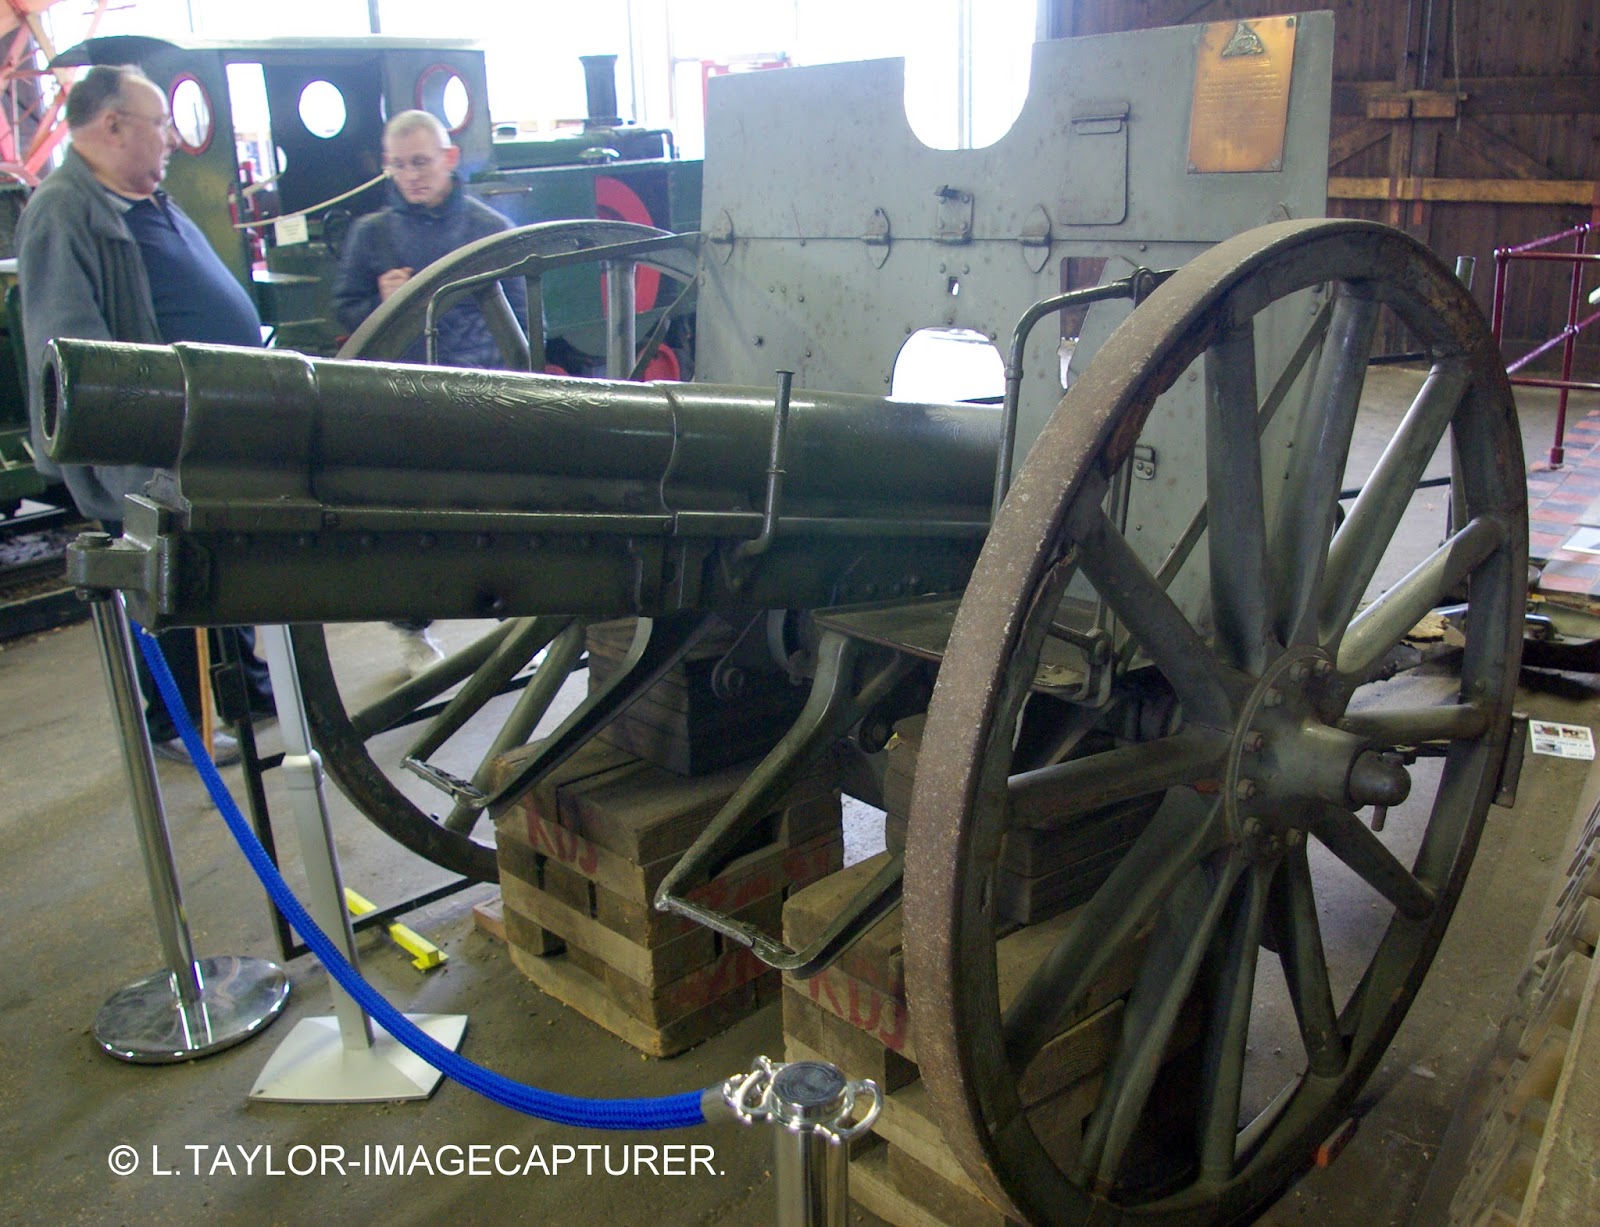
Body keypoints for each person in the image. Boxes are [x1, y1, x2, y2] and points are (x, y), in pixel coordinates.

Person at [17, 63, 274, 767]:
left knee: (216, 563)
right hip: (152, 443)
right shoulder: (66, 210)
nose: (172, 138)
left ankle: (247, 691)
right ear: (112, 125)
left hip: (204, 429)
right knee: (164, 580)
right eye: (160, 123)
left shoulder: (141, 197)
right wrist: (137, 439)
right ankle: (179, 725)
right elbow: (72, 351)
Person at [332, 108, 529, 675]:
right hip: (401, 398)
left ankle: (521, 622)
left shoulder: (489, 229)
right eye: (397, 165)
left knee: (501, 514)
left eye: (420, 162)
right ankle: (412, 632)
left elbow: (519, 315)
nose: (410, 175)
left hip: (480, 392)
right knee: (409, 521)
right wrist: (380, 301)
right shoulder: (371, 235)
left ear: (449, 158)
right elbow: (344, 309)